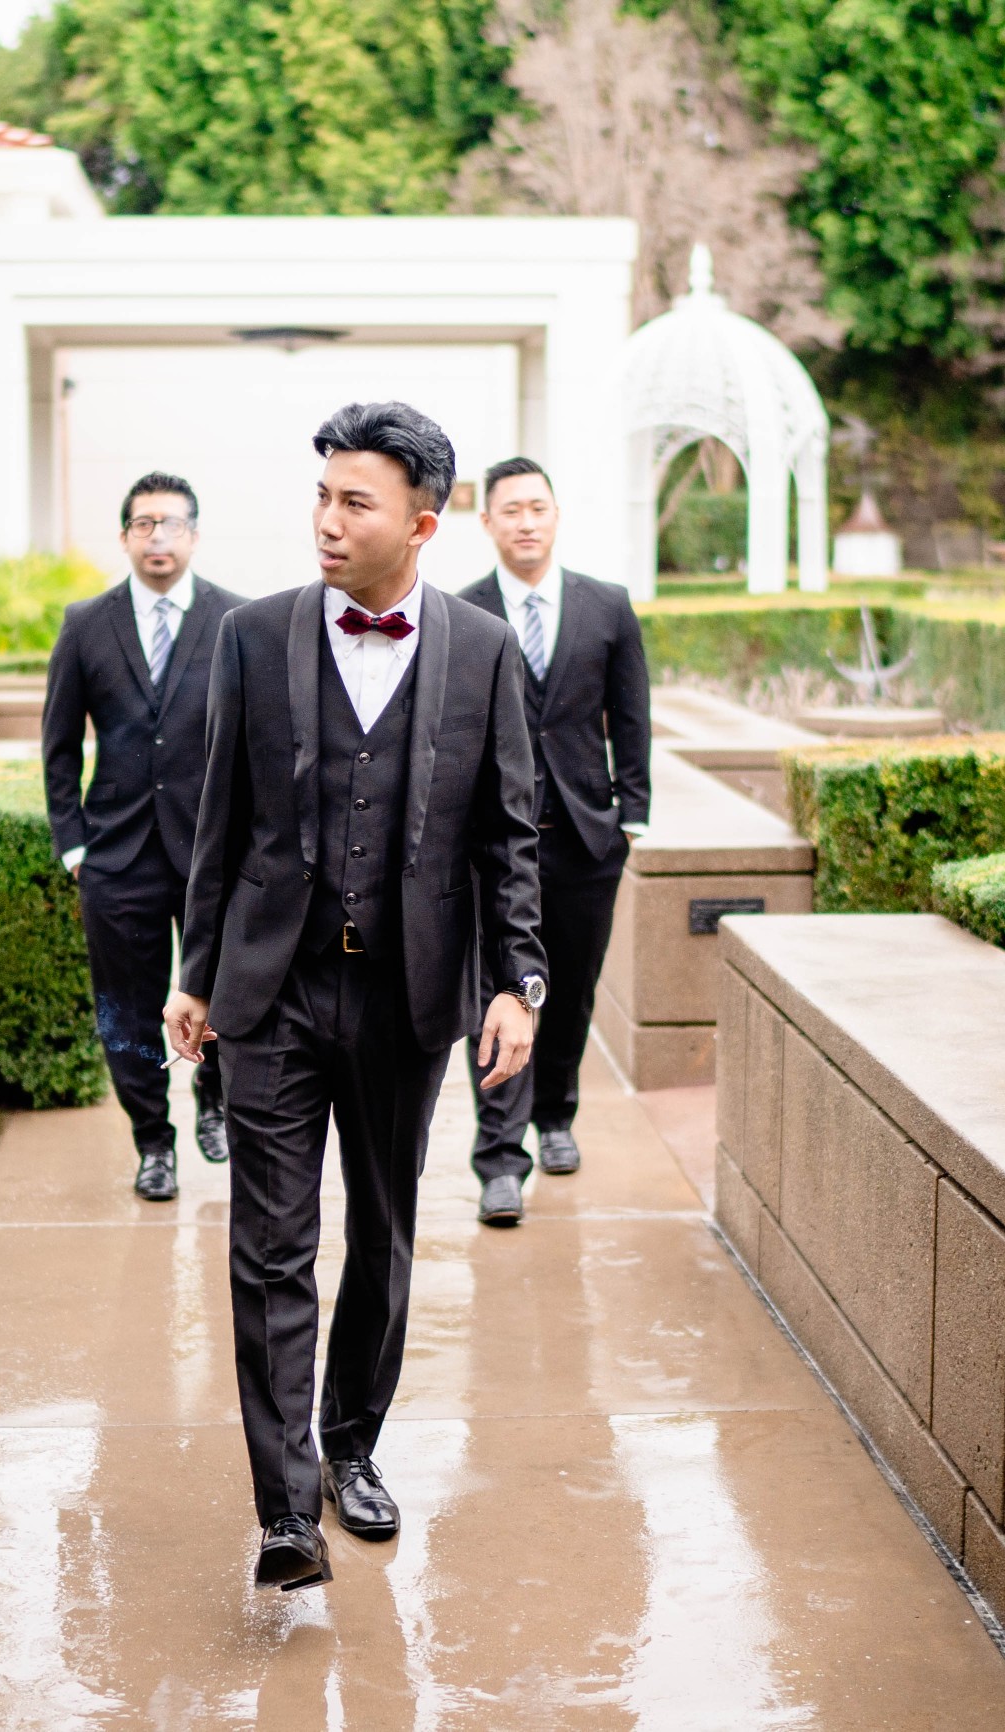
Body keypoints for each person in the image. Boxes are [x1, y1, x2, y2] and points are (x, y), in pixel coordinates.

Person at [165, 403, 545, 1591]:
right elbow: (220, 817)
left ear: (422, 525)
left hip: (404, 996)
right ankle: (285, 1512)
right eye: (321, 496)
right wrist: (194, 974)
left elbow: (509, 832)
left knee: (380, 1236)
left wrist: (516, 981)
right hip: (273, 992)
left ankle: (349, 1445)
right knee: (270, 1248)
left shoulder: (482, 650)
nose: (326, 521)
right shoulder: (250, 636)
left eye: (355, 502)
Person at [455, 457, 652, 1226]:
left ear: (556, 515)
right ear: (488, 523)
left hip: (584, 835)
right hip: (491, 845)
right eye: (511, 510)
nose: (526, 522)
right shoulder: (461, 612)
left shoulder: (607, 606)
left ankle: (556, 1115)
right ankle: (499, 1157)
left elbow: (630, 715)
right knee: (494, 991)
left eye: (537, 507)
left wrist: (630, 816)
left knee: (569, 988)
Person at [42, 472, 240, 1202]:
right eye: (144, 523)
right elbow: (59, 744)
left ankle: (216, 1100)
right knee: (124, 1009)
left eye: (172, 523)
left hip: (213, 853)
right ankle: (153, 1143)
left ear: (195, 534)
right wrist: (74, 846)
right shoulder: (85, 624)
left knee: (224, 991)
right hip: (116, 857)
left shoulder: (235, 619)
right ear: (125, 536)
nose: (158, 537)